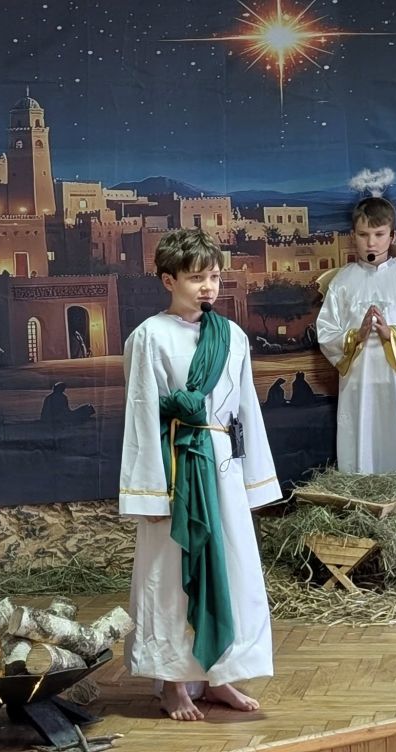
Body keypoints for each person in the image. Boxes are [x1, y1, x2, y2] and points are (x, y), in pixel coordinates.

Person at [119, 228, 281, 722]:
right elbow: (142, 415)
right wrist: (150, 492)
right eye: (195, 278)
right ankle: (172, 683)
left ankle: (220, 675)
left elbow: (246, 409)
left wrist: (254, 479)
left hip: (223, 469)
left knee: (232, 568)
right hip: (176, 471)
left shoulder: (231, 336)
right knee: (170, 574)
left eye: (213, 276)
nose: (208, 286)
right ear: (168, 280)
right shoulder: (149, 336)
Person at [316, 196, 396, 507]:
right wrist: (355, 336)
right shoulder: (342, 282)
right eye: (363, 234)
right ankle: (362, 512)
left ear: (393, 236)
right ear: (352, 236)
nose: (371, 242)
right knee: (361, 440)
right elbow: (327, 332)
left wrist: (390, 334)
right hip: (360, 385)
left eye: (379, 234)